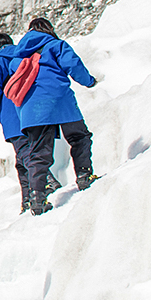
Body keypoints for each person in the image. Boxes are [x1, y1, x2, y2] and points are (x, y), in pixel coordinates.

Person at [8, 16, 100, 213]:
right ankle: (84, 176)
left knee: (38, 153)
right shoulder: (56, 45)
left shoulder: (17, 57)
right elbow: (74, 66)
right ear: (48, 28)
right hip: (60, 101)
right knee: (79, 137)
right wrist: (90, 82)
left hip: (31, 110)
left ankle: (37, 197)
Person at [0, 32, 35, 212]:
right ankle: (27, 199)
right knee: (26, 156)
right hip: (34, 109)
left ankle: (47, 184)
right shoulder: (25, 54)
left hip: (12, 113)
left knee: (25, 154)